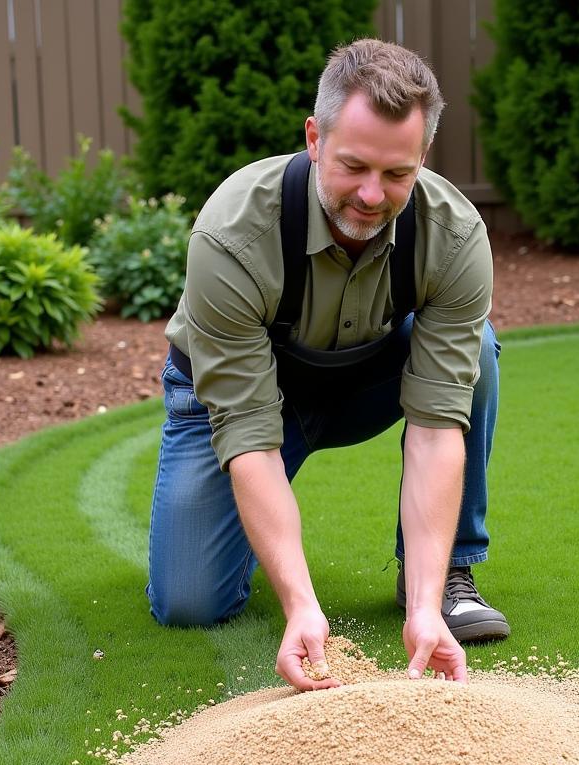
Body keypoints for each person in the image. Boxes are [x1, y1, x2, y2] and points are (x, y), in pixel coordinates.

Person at [147, 38, 509, 692]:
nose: (372, 195)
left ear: (423, 156)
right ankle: (238, 539)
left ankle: (441, 577)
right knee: (189, 603)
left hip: (365, 378)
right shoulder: (233, 234)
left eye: (397, 174)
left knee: (475, 353)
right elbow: (251, 435)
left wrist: (425, 609)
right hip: (244, 401)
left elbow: (435, 429)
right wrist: (300, 604)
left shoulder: (454, 236)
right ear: (315, 138)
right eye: (353, 166)